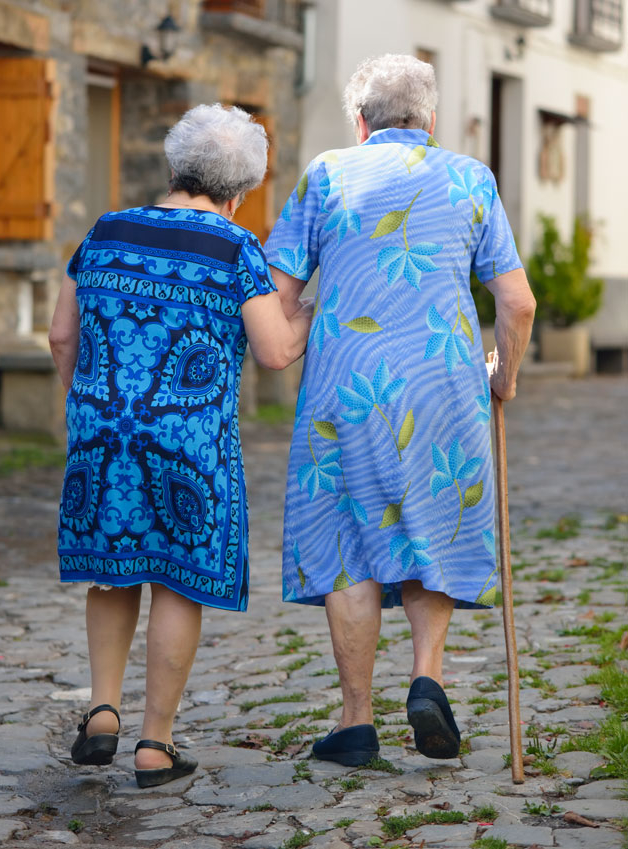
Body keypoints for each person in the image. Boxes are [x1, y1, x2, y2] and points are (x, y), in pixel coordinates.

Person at [264, 54, 536, 765]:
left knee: (347, 541)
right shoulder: (470, 177)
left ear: (360, 123)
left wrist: (306, 328)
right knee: (430, 524)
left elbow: (278, 294)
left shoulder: (326, 173)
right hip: (442, 381)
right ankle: (427, 677)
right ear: (430, 120)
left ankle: (355, 720)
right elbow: (517, 300)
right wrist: (503, 375)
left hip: (342, 384)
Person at [49, 104, 312, 787]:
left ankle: (102, 709)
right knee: (175, 578)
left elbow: (59, 334)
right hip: (186, 447)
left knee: (112, 568)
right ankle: (154, 743)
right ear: (238, 193)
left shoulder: (106, 231)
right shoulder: (233, 249)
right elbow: (276, 350)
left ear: (171, 167)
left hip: (103, 433)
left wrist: (89, 400)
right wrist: (317, 306)